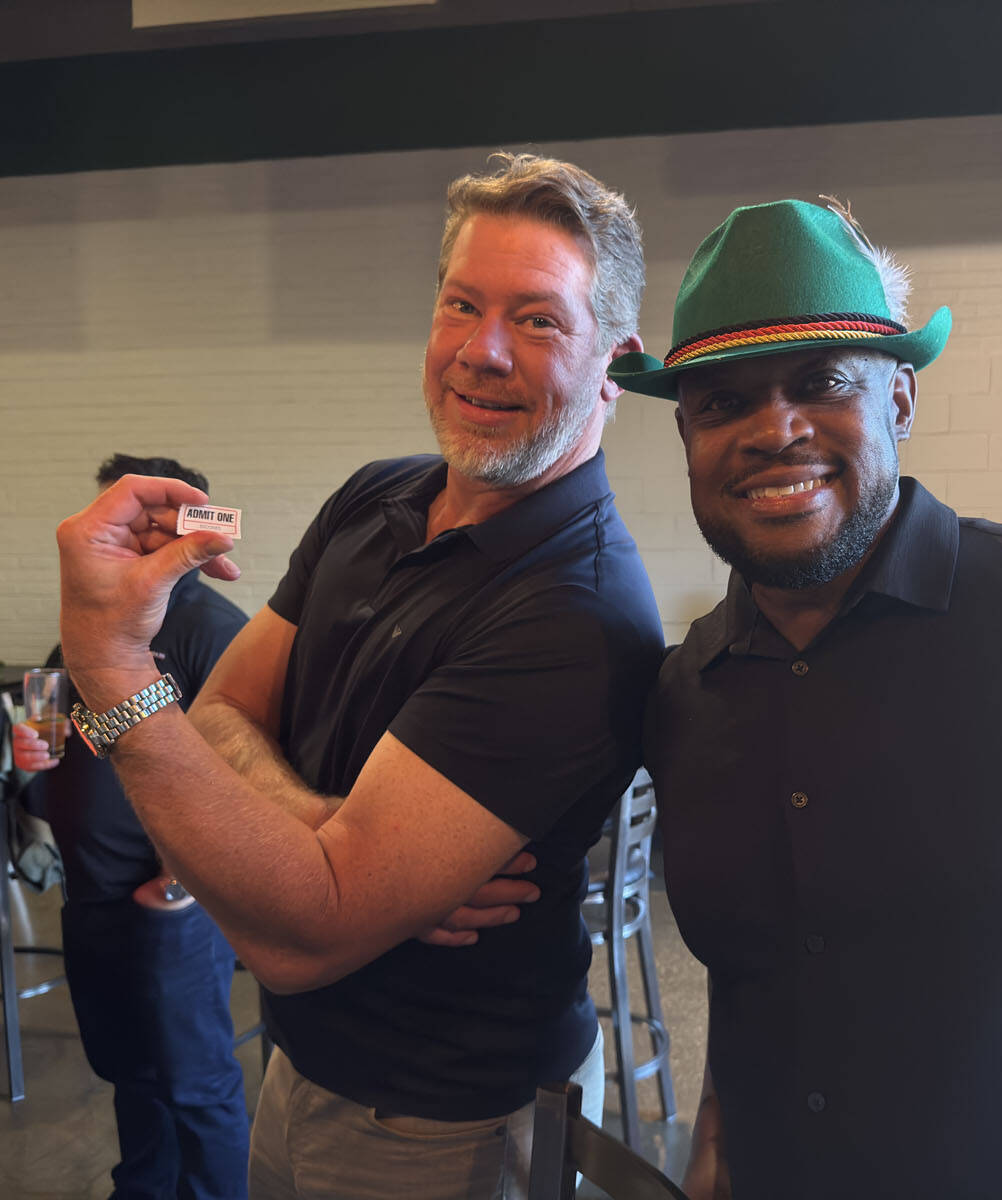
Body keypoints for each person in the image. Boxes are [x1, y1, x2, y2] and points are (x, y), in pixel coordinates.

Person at [51, 153, 664, 1200]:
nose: (482, 352)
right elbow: (220, 715)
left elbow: (299, 936)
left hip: (445, 1123)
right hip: (296, 1069)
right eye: (461, 305)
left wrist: (111, 668)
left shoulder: (579, 612)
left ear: (615, 358)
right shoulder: (377, 496)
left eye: (540, 321)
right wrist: (332, 841)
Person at [609, 198, 1002, 1198]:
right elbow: (754, 986)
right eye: (724, 401)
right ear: (685, 436)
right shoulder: (688, 688)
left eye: (821, 382)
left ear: (901, 400)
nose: (774, 429)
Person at [14, 452, 251, 1200]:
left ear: (194, 534)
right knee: (128, 1071)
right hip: (92, 898)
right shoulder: (86, 628)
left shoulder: (214, 627)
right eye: (122, 522)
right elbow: (51, 733)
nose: (131, 541)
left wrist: (179, 885)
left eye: (155, 526)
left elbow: (248, 776)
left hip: (171, 907)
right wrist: (29, 752)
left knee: (195, 1079)